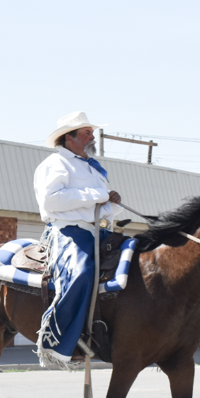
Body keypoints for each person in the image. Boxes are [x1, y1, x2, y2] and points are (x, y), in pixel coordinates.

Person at [33, 112, 120, 367]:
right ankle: (58, 345)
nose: (93, 136)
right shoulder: (55, 163)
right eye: (86, 132)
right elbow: (51, 200)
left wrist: (111, 203)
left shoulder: (93, 167)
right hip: (69, 231)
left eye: (92, 132)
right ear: (68, 138)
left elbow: (98, 205)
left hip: (99, 231)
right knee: (82, 273)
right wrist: (97, 194)